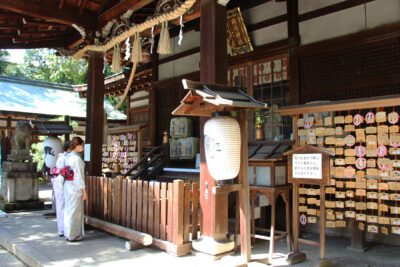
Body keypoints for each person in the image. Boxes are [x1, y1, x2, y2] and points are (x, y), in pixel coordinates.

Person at [64, 137, 87, 242]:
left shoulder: (67, 157)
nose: (82, 147)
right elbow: (79, 177)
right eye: (82, 145)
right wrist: (84, 191)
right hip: (75, 187)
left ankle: (68, 232)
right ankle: (73, 234)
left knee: (69, 210)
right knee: (75, 211)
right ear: (78, 146)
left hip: (68, 185)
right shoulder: (77, 159)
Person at [51, 140, 70, 237]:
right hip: (62, 182)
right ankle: (63, 228)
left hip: (60, 181)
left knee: (62, 205)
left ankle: (63, 228)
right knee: (63, 206)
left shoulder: (62, 158)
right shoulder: (64, 159)